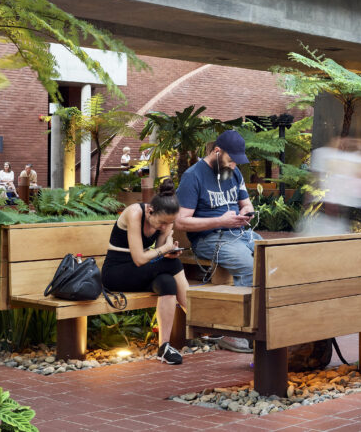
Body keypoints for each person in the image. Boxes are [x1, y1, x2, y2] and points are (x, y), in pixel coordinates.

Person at [175, 130, 256, 353]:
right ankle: (233, 333)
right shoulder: (193, 176)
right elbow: (180, 222)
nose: (234, 166)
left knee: (273, 258)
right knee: (249, 266)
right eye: (231, 160)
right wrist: (220, 220)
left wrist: (246, 213)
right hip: (209, 238)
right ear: (217, 151)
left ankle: (263, 325)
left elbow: (245, 203)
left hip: (239, 233)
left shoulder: (233, 172)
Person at [101, 181, 189, 365]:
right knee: (172, 266)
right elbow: (140, 258)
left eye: (170, 223)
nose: (165, 227)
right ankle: (199, 317)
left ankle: (164, 347)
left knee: (167, 282)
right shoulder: (135, 213)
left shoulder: (165, 222)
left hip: (140, 273)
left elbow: (158, 253)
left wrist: (169, 252)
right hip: (117, 273)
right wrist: (165, 249)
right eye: (162, 223)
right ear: (150, 211)